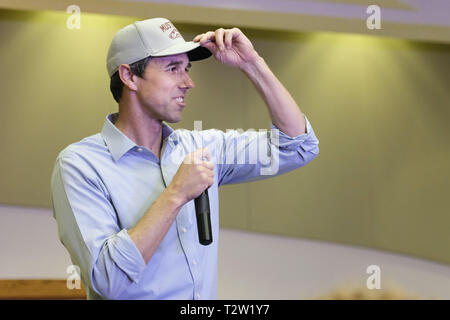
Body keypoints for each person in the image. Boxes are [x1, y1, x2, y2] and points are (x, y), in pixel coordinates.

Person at [51, 17, 319, 300]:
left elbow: (296, 146)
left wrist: (251, 64)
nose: (188, 82)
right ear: (129, 76)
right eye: (173, 68)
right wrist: (176, 193)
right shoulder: (79, 165)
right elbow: (106, 279)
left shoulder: (201, 147)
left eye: (187, 69)